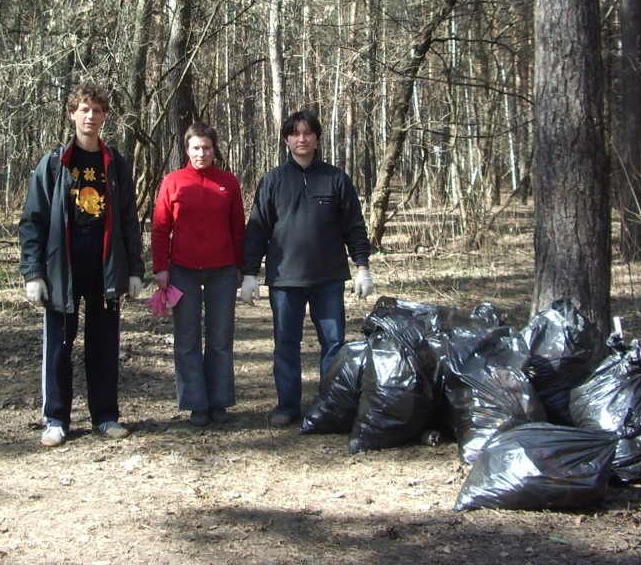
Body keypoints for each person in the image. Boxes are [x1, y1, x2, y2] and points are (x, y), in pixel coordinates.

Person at [19, 82, 144, 446]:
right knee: (59, 342)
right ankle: (56, 418)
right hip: (64, 261)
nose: (91, 116)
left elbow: (127, 221)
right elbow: (33, 221)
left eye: (98, 110)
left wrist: (134, 269)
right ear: (72, 113)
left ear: (106, 116)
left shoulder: (115, 163)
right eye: (85, 109)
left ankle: (105, 415)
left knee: (104, 343)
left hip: (105, 260)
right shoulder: (55, 163)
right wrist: (33, 272)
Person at [240, 109, 374, 427]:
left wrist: (363, 267)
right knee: (286, 344)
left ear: (316, 138)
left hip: (328, 277)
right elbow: (257, 230)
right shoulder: (272, 181)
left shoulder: (336, 179)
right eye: (295, 133)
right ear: (286, 139)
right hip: (285, 279)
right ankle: (287, 406)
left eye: (308, 133)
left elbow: (354, 226)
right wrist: (249, 274)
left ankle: (331, 405)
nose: (302, 139)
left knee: (333, 344)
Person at [152, 122, 246, 427]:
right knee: (187, 339)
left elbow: (238, 229)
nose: (201, 153)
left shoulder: (228, 182)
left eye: (207, 147)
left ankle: (219, 402)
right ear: (186, 149)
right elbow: (160, 228)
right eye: (196, 148)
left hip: (222, 271)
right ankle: (196, 404)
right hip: (182, 272)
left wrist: (241, 267)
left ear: (214, 149)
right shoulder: (173, 182)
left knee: (220, 338)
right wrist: (161, 267)